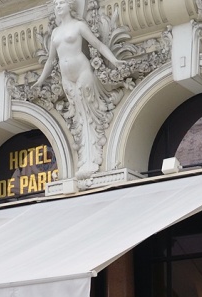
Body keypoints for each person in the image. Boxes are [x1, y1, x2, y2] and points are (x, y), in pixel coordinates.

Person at [35, 0, 123, 178]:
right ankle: (86, 156)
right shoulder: (55, 33)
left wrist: (114, 61)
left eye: (62, 3)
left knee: (89, 107)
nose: (58, 6)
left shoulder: (79, 26)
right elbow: (51, 61)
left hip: (82, 70)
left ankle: (92, 155)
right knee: (78, 114)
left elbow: (97, 45)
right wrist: (40, 80)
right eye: (56, 3)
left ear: (70, 6)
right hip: (67, 78)